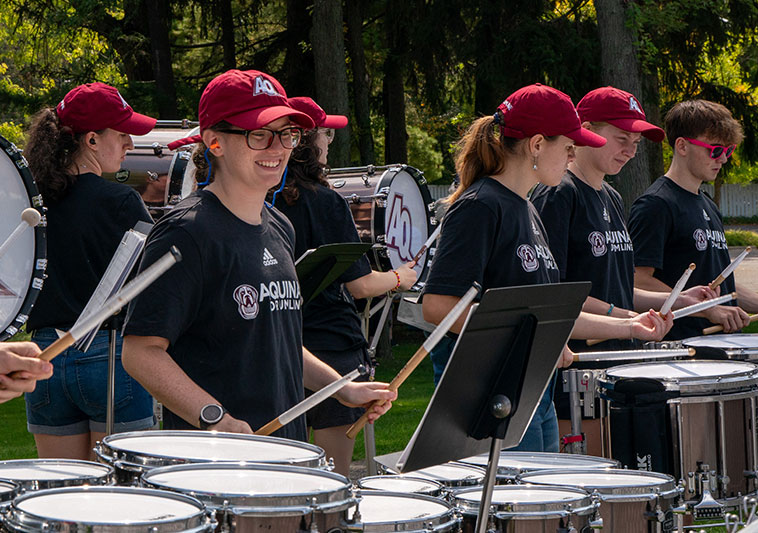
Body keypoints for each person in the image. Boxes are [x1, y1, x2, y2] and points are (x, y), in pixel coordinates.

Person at [122, 70, 396, 442]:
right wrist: (214, 418)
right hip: (216, 462)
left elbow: (276, 341)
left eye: (287, 134)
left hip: (284, 452)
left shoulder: (280, 226)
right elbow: (140, 352)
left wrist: (341, 388)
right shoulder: (186, 232)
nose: (278, 148)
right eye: (259, 135)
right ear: (215, 142)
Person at [421, 84, 673, 453]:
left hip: (531, 391)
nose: (573, 155)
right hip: (489, 398)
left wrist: (628, 325)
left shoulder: (527, 208)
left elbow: (544, 315)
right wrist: (535, 342)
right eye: (568, 147)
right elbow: (439, 307)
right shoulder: (480, 206)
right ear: (537, 144)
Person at [530, 87, 714, 453]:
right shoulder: (558, 194)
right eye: (620, 139)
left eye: (635, 141)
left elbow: (617, 286)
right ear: (584, 130)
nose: (630, 149)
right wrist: (625, 318)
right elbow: (554, 294)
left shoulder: (611, 197)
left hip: (619, 363)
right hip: (577, 372)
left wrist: (671, 300)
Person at [272, 96, 417, 475]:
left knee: (283, 473)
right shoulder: (325, 201)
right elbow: (362, 285)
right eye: (325, 135)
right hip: (331, 348)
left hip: (280, 345)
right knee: (334, 476)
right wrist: (403, 277)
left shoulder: (263, 202)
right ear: (308, 140)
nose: (328, 143)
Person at [23, 83, 158, 460]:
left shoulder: (30, 204)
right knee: (118, 501)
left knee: (60, 493)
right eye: (122, 134)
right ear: (93, 141)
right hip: (109, 353)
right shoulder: (122, 202)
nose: (130, 144)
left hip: (44, 354)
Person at [628, 99, 758, 339]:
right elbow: (637, 281)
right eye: (715, 150)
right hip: (681, 352)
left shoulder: (708, 204)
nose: (723, 159)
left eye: (728, 150)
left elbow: (725, 288)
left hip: (720, 348)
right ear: (682, 146)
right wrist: (704, 310)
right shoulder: (656, 205)